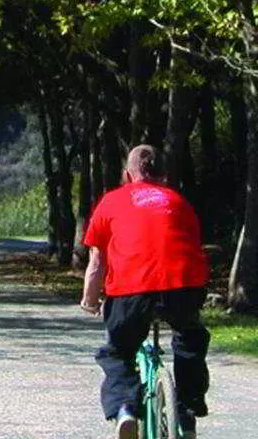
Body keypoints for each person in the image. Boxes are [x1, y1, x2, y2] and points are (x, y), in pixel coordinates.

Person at [80, 144, 210, 439]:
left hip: (130, 291)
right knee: (190, 339)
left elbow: (97, 262)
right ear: (164, 176)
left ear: (128, 175)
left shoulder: (111, 201)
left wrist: (90, 299)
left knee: (116, 351)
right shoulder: (179, 202)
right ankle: (187, 412)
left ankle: (125, 409)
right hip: (183, 287)